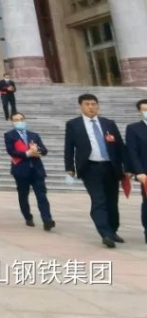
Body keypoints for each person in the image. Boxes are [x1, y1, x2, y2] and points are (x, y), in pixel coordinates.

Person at [64, 93, 129, 248]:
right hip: (90, 167)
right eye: (87, 104)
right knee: (98, 200)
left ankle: (112, 230)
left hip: (111, 167)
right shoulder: (74, 124)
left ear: (98, 105)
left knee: (112, 201)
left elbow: (120, 146)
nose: (91, 107)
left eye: (93, 104)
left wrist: (127, 167)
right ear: (81, 106)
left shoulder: (108, 123)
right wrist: (69, 168)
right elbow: (69, 147)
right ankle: (105, 233)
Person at [4, 113, 54, 231]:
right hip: (21, 170)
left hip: (36, 170)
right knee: (23, 195)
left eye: (21, 119)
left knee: (42, 196)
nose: (19, 121)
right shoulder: (9, 135)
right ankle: (28, 216)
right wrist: (27, 153)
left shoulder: (34, 135)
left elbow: (44, 150)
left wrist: (37, 150)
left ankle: (47, 220)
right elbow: (11, 151)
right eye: (16, 120)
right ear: (12, 122)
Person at [124, 99, 147, 244]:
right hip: (145, 173)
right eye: (144, 109)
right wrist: (138, 171)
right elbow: (132, 152)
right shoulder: (133, 128)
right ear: (140, 111)